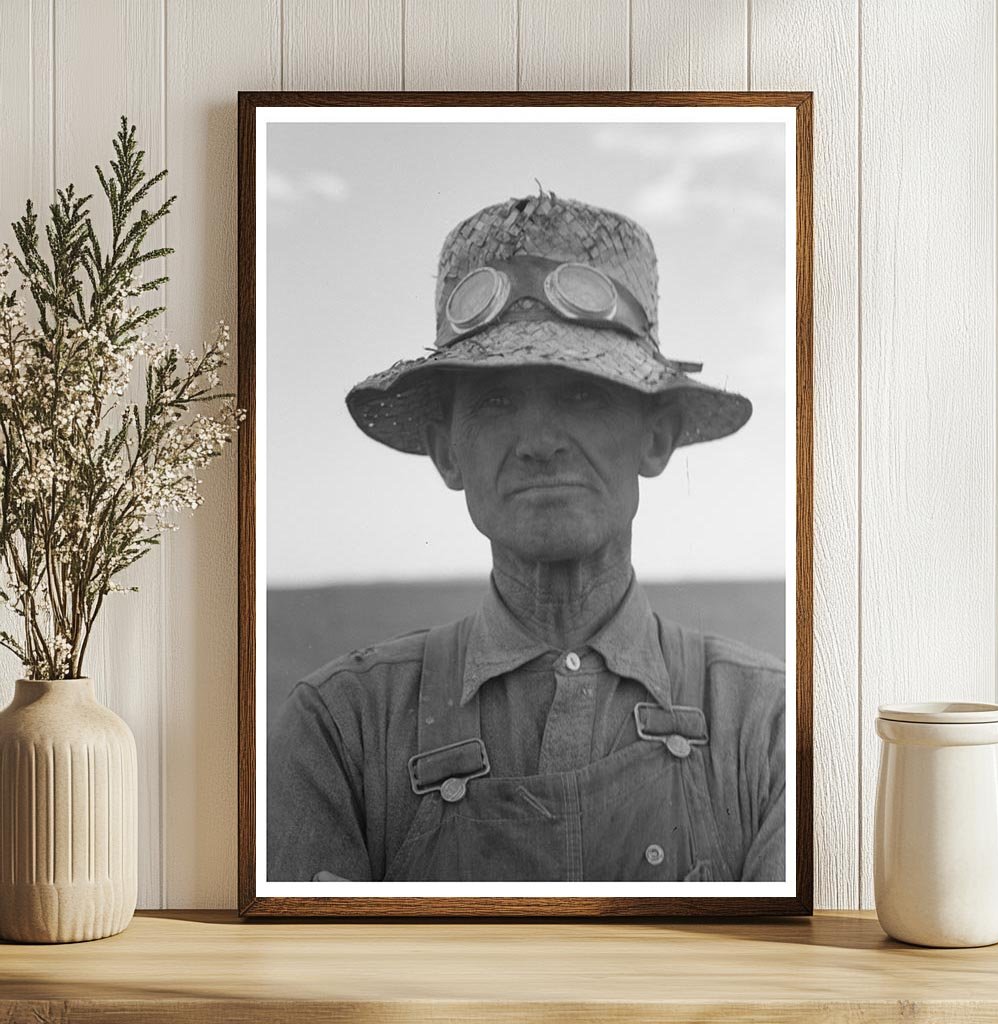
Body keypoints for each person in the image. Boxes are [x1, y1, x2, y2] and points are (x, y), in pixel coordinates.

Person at [268, 190, 785, 883]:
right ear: (448, 453)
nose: (540, 442)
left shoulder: (769, 725)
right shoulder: (341, 728)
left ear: (655, 437)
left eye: (582, 394)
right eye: (498, 401)